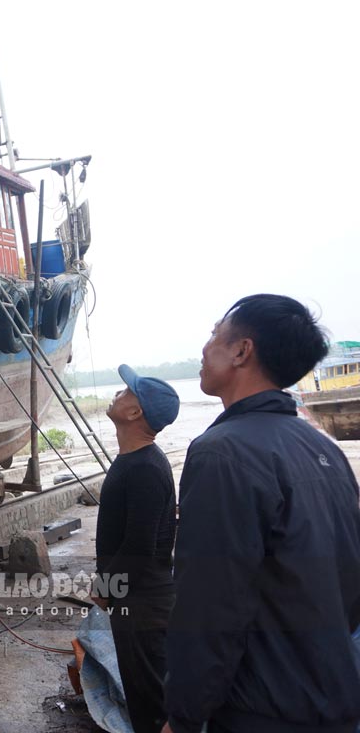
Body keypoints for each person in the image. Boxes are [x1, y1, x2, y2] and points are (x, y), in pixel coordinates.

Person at [163, 294, 360, 733]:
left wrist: (183, 715)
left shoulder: (221, 453)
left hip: (261, 711)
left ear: (241, 351)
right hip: (336, 699)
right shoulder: (323, 449)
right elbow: (349, 588)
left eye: (214, 335)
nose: (203, 349)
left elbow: (209, 603)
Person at [94, 364, 180, 733]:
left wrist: (105, 589)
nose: (118, 394)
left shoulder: (145, 468)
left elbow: (139, 546)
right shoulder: (135, 460)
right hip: (137, 598)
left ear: (134, 412)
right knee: (142, 695)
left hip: (144, 604)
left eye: (126, 392)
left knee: (151, 704)